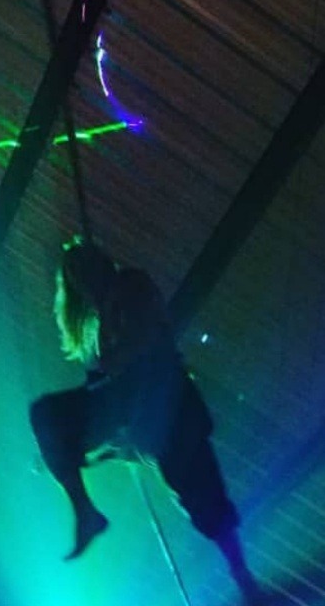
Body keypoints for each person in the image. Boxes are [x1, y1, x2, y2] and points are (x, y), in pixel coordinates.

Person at [30, 238, 265, 603]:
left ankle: (243, 576)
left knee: (206, 504)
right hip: (133, 415)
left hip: (170, 409)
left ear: (101, 264)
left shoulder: (130, 286)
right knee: (48, 417)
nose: (82, 279)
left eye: (84, 268)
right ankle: (85, 510)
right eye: (74, 275)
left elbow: (144, 340)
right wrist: (66, 450)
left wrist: (114, 355)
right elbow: (101, 384)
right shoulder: (94, 327)